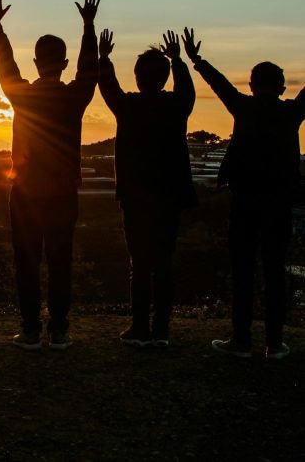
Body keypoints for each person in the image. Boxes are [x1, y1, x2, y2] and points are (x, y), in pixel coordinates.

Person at [183, 28, 304, 360]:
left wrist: (196, 59)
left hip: (245, 201)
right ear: (282, 88)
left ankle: (241, 339)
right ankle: (274, 342)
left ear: (251, 85)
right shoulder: (291, 113)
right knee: (275, 272)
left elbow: (219, 84)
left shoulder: (244, 107)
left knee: (243, 271)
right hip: (279, 203)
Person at [0, 0, 99, 350]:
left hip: (25, 191)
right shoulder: (74, 96)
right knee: (60, 261)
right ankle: (60, 330)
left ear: (36, 62)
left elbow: (6, 67)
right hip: (64, 192)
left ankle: (32, 330)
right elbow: (90, 70)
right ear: (63, 63)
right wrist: (88, 27)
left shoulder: (22, 94)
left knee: (27, 262)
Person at [98, 30, 196, 347]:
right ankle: (161, 331)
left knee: (139, 263)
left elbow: (108, 87)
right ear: (165, 77)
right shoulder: (177, 105)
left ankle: (139, 328)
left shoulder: (128, 106)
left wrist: (104, 58)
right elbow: (188, 91)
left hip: (135, 197)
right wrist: (178, 60)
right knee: (163, 263)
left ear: (138, 78)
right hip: (170, 195)